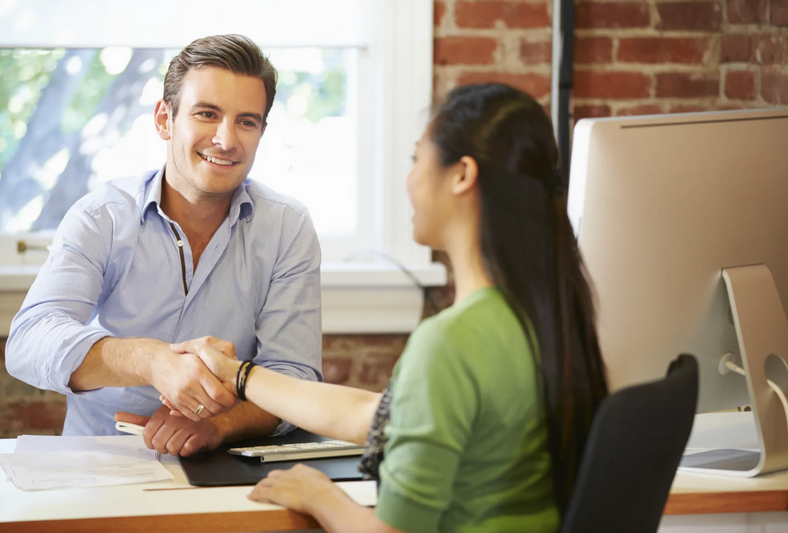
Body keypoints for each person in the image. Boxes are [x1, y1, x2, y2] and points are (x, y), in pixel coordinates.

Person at [170, 84, 609, 532]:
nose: (411, 178)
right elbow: (377, 416)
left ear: (461, 175)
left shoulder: (450, 344)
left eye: (417, 159)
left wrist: (321, 495)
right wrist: (238, 374)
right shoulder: (537, 317)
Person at [5, 34, 323, 456]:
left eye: (246, 121)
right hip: (98, 460)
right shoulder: (102, 215)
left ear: (262, 131)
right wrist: (154, 362)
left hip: (221, 462)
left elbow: (294, 377)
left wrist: (221, 425)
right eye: (207, 114)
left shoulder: (288, 226)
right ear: (164, 120)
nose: (226, 139)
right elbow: (29, 340)